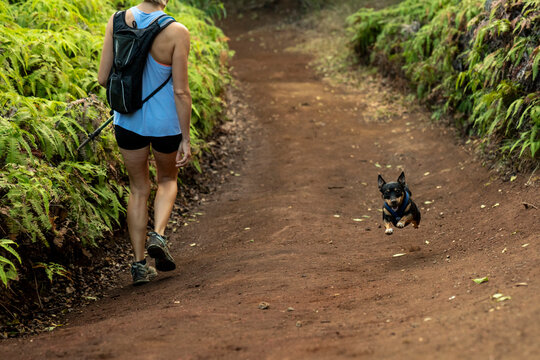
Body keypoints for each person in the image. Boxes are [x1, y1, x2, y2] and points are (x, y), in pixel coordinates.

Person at [98, 0, 192, 285]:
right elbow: (181, 91)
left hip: (127, 121)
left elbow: (103, 78)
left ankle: (138, 266)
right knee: (167, 180)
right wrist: (186, 137)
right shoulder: (177, 31)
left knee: (138, 188)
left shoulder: (116, 21)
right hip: (165, 124)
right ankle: (159, 235)